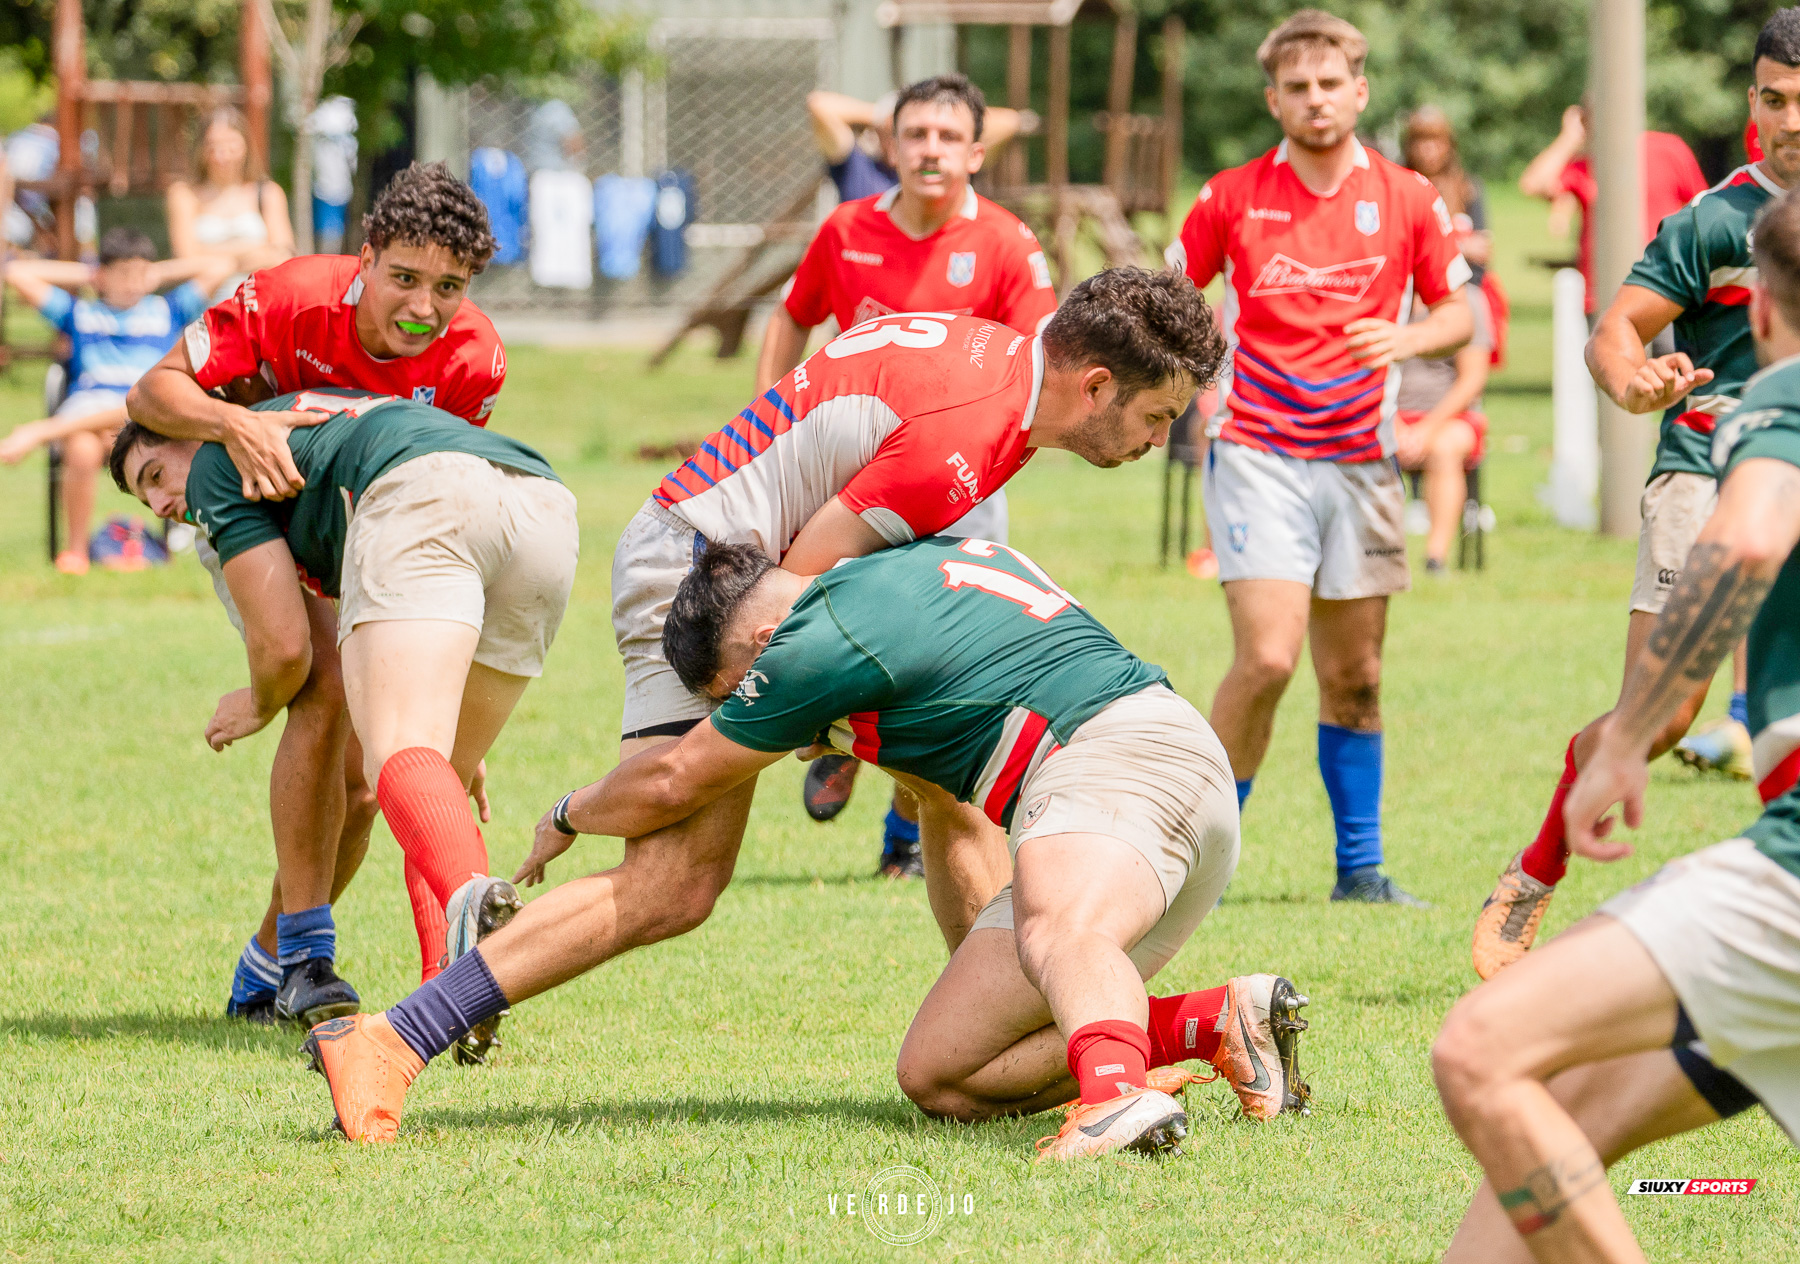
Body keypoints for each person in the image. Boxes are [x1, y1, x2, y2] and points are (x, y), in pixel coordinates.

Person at [298, 269, 1219, 1123]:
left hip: (733, 549)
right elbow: (798, 602)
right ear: (1095, 386)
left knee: (949, 802)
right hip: (705, 567)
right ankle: (395, 1039)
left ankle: (1024, 1051)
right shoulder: (964, 436)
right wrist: (817, 716)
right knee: (677, 878)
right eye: (1155, 415)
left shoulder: (997, 367)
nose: (1157, 441)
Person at [301, 535, 1313, 1155]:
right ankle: (1210, 1025)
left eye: (738, 701)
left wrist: (567, 814)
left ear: (748, 654)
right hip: (1155, 787)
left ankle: (1107, 1102)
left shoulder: (807, 646)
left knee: (1059, 924)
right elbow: (947, 806)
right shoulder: (897, 577)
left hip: (1116, 762)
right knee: (943, 1072)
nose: (770, 733)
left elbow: (671, 779)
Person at [1433, 180, 1800, 1264]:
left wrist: (1628, 738)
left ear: (1764, 315)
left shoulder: (1779, 400)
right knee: (1569, 1114)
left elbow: (1741, 546)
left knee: (1483, 1051)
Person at [128, 161, 512, 1028]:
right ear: (365, 260)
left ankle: (270, 959)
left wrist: (445, 678)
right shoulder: (289, 295)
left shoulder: (473, 360)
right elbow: (151, 389)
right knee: (323, 688)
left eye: (448, 287)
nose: (423, 304)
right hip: (262, 522)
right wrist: (236, 421)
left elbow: (444, 499)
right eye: (405, 278)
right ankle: (309, 956)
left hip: (370, 544)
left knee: (376, 780)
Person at [1472, 14, 1800, 981]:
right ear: (1751, 105)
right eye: (1775, 100)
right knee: (1654, 719)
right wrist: (1637, 381)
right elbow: (1613, 333)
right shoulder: (1715, 221)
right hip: (1707, 470)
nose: (1792, 121)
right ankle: (1533, 874)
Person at [111, 387, 578, 1036]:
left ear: (192, 427)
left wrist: (256, 700)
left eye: (156, 476)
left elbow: (284, 650)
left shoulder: (224, 458)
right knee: (432, 770)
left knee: (394, 757)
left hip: (422, 494)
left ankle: (464, 919)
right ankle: (449, 990)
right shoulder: (308, 419)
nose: (161, 505)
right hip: (543, 504)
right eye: (144, 498)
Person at [1172, 11, 1473, 905]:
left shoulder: (1410, 196)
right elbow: (1164, 301)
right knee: (1267, 659)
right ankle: (1198, 863)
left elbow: (1463, 316)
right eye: (1297, 88)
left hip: (1363, 460)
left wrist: (1411, 334)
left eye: (1330, 84)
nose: (1315, 100)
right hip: (1259, 450)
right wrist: (1194, 391)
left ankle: (1362, 873)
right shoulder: (1229, 195)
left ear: (1360, 92)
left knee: (1358, 676)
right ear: (1274, 99)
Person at [763, 74, 1062, 875]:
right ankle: (843, 737)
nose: (930, 150)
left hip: (958, 481)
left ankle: (901, 836)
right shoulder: (846, 229)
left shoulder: (1006, 242)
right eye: (915, 135)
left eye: (946, 137)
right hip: (848, 478)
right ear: (889, 147)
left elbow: (1045, 359)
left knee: (940, 661)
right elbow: (792, 317)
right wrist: (769, 411)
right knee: (844, 630)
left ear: (975, 151)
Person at [3, 228, 229, 573]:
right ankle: (76, 552)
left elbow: (220, 264)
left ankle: (40, 432)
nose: (132, 283)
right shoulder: (79, 313)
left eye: (140, 274)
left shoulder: (166, 310)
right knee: (79, 448)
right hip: (91, 416)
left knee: (135, 406)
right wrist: (88, 272)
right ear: (102, 275)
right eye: (122, 274)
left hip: (144, 419)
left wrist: (154, 272)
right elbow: (16, 272)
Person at [1518, 101, 1707, 320]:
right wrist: (1569, 139)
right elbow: (1532, 184)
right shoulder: (1589, 164)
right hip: (1605, 294)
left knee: (1672, 354)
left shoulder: (1668, 149)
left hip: (1666, 289)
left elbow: (1700, 211)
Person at [1394, 287, 1493, 573]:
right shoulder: (1382, 293)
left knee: (1444, 447)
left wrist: (1426, 429)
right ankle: (1376, 555)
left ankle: (1435, 557)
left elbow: (1473, 378)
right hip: (1385, 414)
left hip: (1450, 417)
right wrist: (1393, 422)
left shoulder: (1466, 300)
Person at [805, 86, 1033, 204]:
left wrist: (939, 116)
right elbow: (819, 105)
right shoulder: (858, 167)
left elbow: (1009, 121)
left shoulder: (936, 164)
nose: (927, 145)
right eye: (909, 132)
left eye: (917, 132)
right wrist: (882, 115)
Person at [166, 107, 294, 299]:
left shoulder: (268, 193)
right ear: (201, 148)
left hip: (261, 307)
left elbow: (285, 256)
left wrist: (213, 258)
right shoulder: (184, 194)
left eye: (230, 144)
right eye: (213, 145)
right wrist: (257, 249)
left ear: (246, 145)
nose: (222, 154)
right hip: (206, 309)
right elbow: (185, 258)